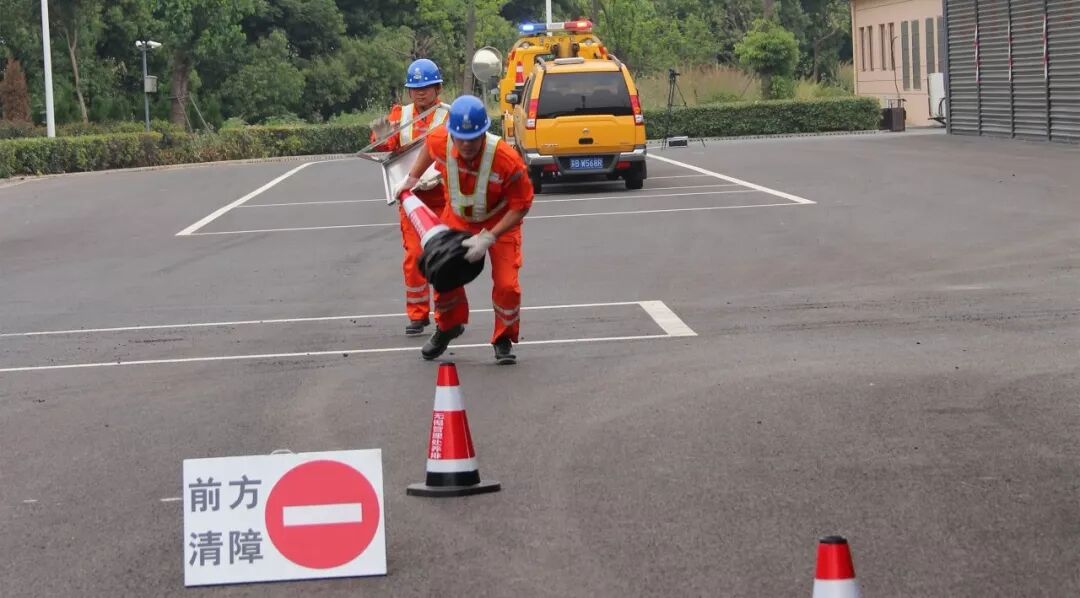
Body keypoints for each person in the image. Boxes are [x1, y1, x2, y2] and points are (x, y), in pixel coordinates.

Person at [396, 95, 534, 365]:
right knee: (442, 272)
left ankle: (503, 338)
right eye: (461, 138)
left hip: (499, 222)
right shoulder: (440, 140)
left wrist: (490, 237)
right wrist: (412, 178)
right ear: (451, 134)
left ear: (484, 133)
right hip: (458, 218)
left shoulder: (507, 159)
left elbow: (522, 205)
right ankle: (449, 326)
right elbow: (428, 148)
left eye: (473, 138)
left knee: (507, 285)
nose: (467, 144)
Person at [370, 58, 451, 336]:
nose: (420, 92)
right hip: (411, 199)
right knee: (414, 256)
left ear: (438, 88)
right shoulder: (400, 115)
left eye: (426, 87)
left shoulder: (448, 115)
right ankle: (418, 315)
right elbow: (386, 148)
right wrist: (381, 136)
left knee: (443, 258)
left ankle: (446, 314)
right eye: (415, 88)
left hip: (442, 197)